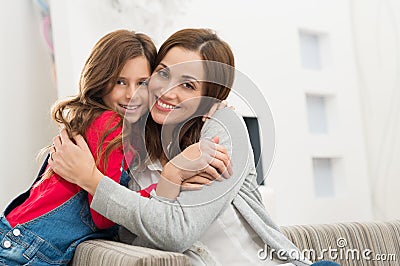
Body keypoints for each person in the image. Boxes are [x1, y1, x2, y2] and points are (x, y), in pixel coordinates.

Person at [49, 28, 338, 265]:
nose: (168, 92)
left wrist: (92, 180)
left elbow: (176, 233)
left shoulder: (222, 127)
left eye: (188, 85)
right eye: (163, 73)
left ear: (209, 99)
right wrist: (171, 180)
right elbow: (143, 241)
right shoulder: (132, 152)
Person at [0, 29, 230, 266]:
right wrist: (164, 185)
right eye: (120, 82)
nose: (132, 94)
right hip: (25, 248)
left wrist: (213, 104)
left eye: (142, 82)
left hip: (26, 243)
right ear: (101, 80)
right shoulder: (108, 125)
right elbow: (103, 218)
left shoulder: (128, 129)